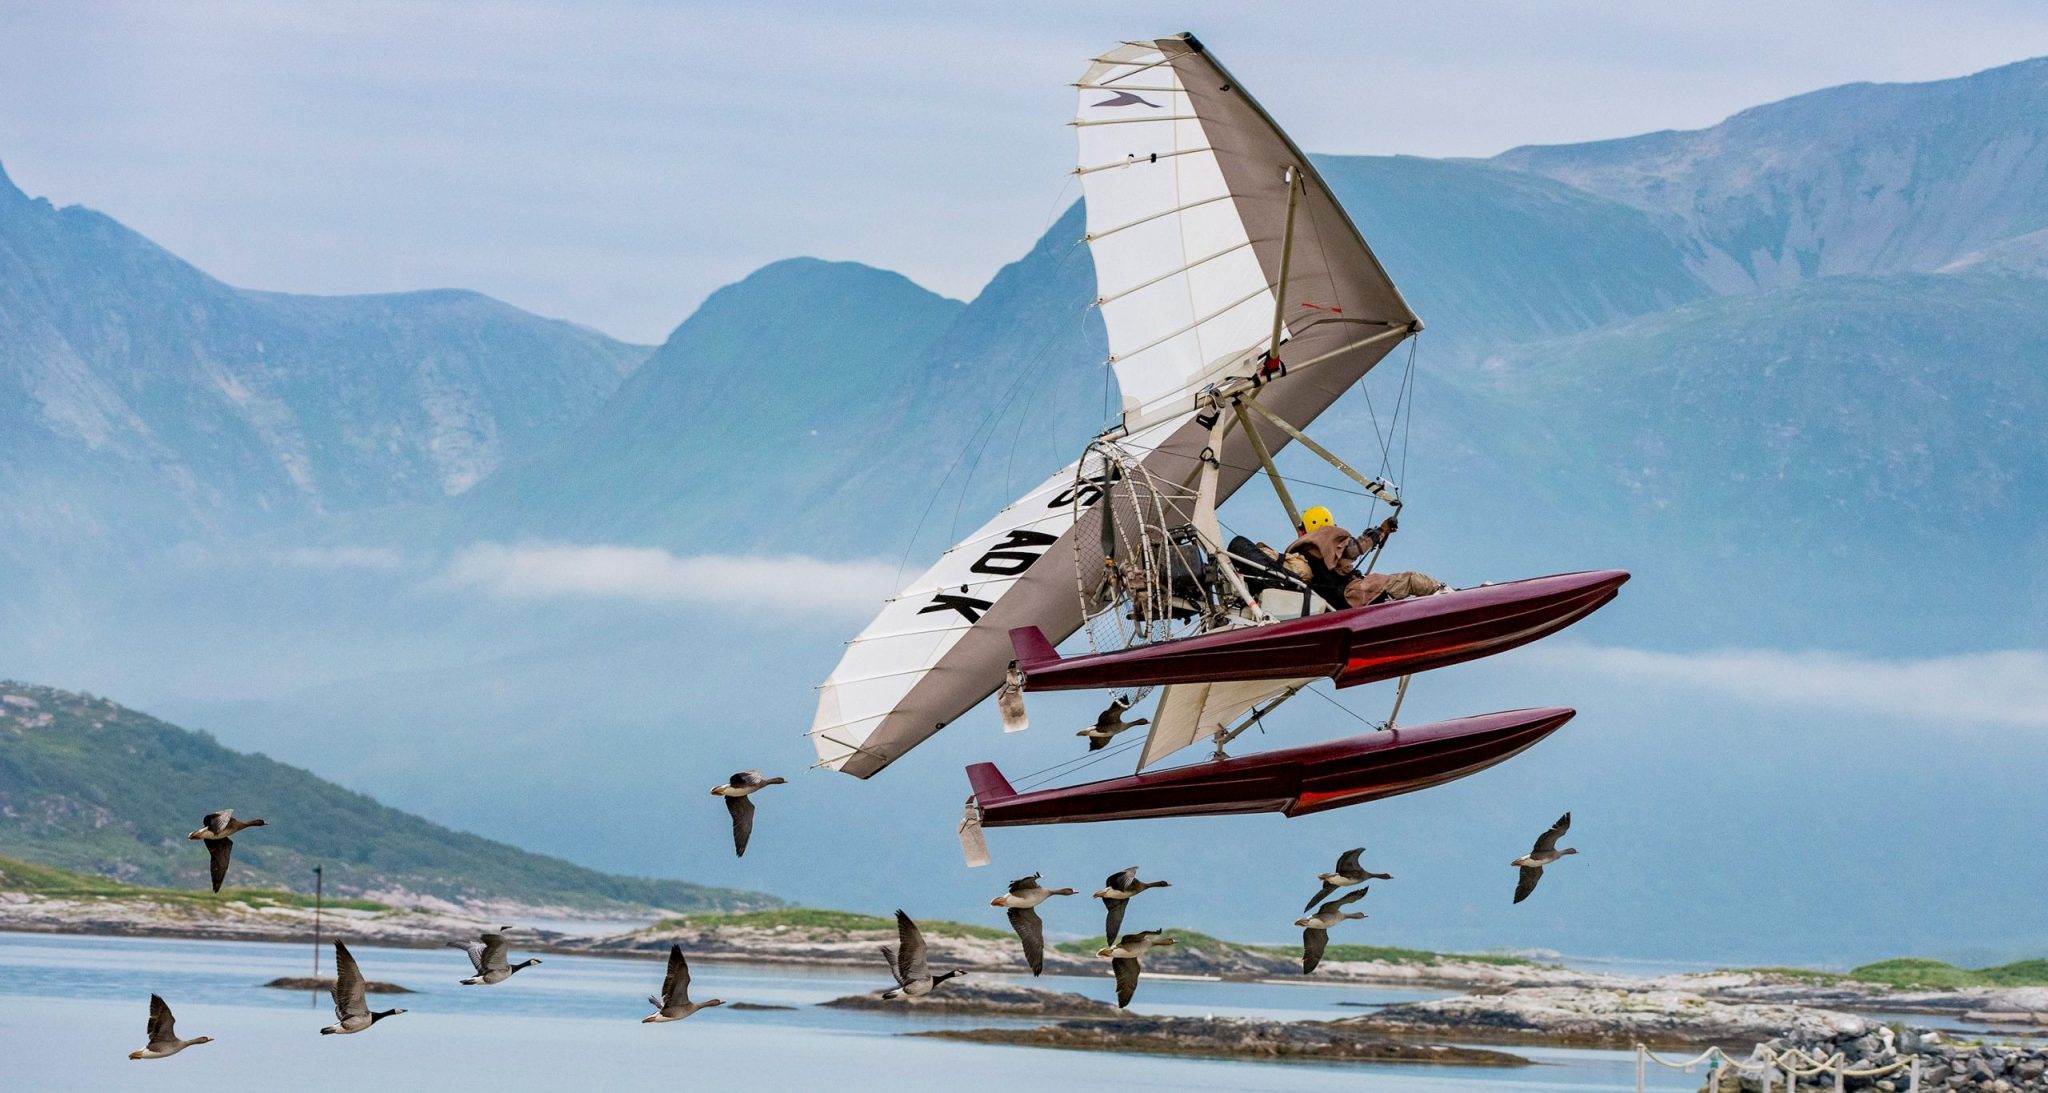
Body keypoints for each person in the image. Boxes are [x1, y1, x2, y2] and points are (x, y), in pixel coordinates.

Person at [1283, 505, 1443, 609]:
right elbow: (1354, 549)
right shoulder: (1326, 536)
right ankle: (1444, 593)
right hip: (1352, 594)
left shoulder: (1298, 555)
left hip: (1333, 606)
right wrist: (1381, 531)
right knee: (1409, 579)